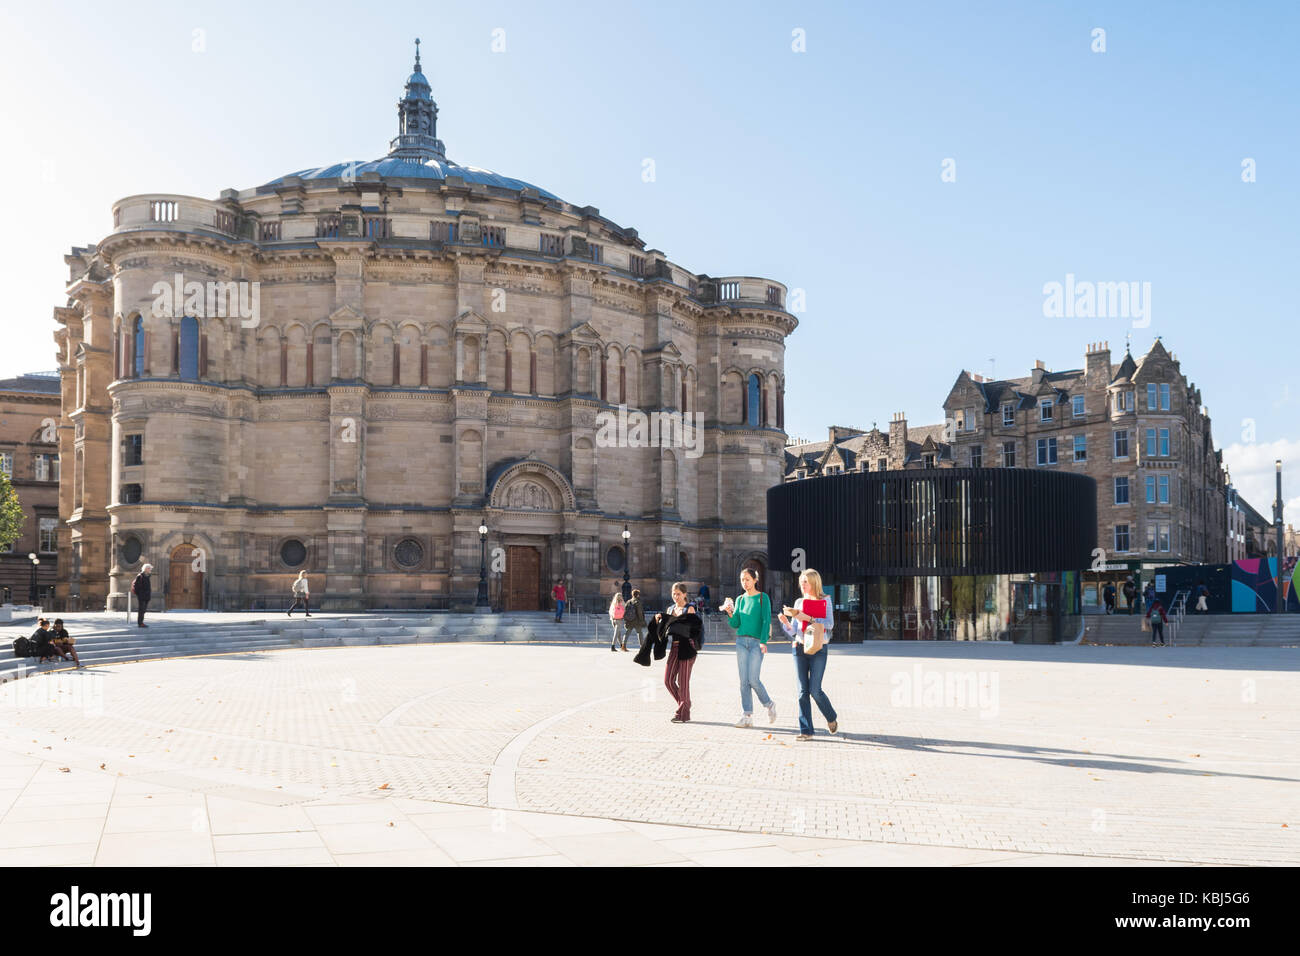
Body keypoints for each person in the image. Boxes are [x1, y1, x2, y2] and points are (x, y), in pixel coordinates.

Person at [778, 568, 838, 741]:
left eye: (806, 582)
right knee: (802, 691)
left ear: (814, 583)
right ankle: (806, 730)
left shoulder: (825, 600)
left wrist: (808, 618)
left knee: (815, 690)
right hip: (799, 648)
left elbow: (830, 624)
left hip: (819, 648)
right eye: (801, 582)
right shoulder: (798, 602)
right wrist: (785, 624)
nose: (803, 585)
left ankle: (831, 717)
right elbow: (793, 631)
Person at [723, 567, 776, 727]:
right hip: (741, 642)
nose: (744, 583)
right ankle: (747, 716)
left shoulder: (763, 598)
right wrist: (730, 612)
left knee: (753, 679)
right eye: (742, 580)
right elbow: (735, 624)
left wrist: (764, 641)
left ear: (755, 580)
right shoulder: (739, 599)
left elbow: (766, 620)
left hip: (756, 642)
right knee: (743, 681)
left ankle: (769, 704)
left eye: (747, 579)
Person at [658, 582, 702, 723]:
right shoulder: (670, 609)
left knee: (683, 682)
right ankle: (685, 705)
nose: (676, 596)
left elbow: (693, 630)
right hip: (674, 648)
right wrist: (660, 620)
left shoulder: (689, 609)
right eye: (674, 594)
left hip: (687, 647)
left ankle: (681, 713)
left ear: (684, 594)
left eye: (678, 594)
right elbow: (666, 628)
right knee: (668, 680)